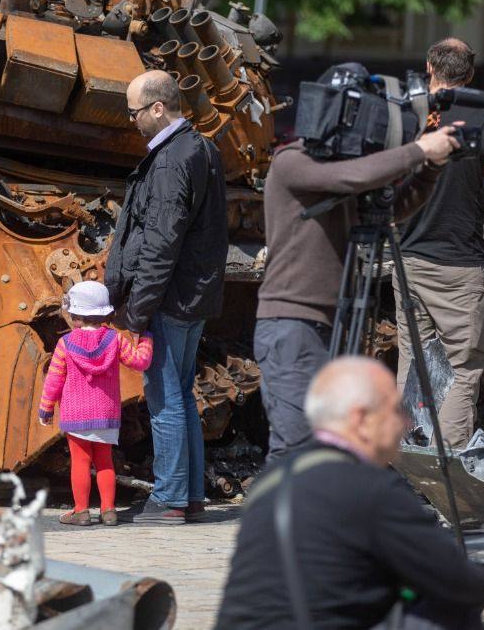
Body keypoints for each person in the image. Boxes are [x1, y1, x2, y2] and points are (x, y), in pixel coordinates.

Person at [215, 357, 484, 629]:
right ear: (360, 419)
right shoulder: (374, 489)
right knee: (453, 609)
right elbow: (466, 585)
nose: (406, 424)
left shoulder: (270, 480)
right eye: (395, 410)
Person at [256, 97, 461, 462]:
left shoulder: (339, 173)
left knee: (335, 444)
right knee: (296, 446)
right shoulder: (292, 161)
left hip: (334, 320)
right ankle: (279, 516)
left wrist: (430, 166)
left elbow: (392, 208)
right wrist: (418, 149)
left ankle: (324, 515)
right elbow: (355, 176)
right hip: (292, 324)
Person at [104, 69, 227, 524]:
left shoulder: (173, 160)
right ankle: (190, 494)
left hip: (170, 299)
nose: (131, 120)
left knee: (165, 397)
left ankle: (171, 497)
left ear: (158, 108)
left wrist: (136, 312)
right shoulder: (203, 148)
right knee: (182, 394)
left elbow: (159, 242)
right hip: (194, 296)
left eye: (135, 111)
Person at [393, 37, 484, 449]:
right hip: (461, 267)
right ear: (471, 75)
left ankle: (406, 468)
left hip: (409, 260)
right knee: (463, 368)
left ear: (429, 67)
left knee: (413, 365)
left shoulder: (409, 116)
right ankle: (450, 476)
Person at [38, 280, 153, 526]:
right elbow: (140, 362)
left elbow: (54, 380)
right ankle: (109, 511)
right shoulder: (115, 340)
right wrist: (146, 338)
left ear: (75, 315)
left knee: (80, 463)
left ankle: (81, 511)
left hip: (75, 415)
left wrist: (46, 408)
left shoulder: (65, 344)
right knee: (105, 462)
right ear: (105, 313)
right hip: (106, 414)